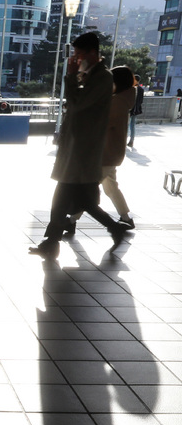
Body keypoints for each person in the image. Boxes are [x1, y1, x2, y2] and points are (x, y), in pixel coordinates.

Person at [29, 32, 130, 260]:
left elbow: (77, 105)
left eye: (79, 54)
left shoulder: (102, 78)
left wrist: (71, 77)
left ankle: (54, 243)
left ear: (93, 53)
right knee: (76, 200)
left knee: (69, 199)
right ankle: (55, 242)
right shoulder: (92, 75)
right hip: (76, 148)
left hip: (84, 151)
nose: (76, 58)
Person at [65, 65, 136, 234]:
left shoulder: (117, 102)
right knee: (110, 187)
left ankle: (71, 221)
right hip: (111, 153)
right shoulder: (120, 99)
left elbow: (100, 124)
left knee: (86, 191)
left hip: (105, 154)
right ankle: (126, 218)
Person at [127, 73, 144, 148]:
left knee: (127, 125)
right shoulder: (141, 89)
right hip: (136, 110)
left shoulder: (131, 88)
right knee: (132, 125)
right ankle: (131, 141)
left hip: (130, 110)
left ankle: (124, 140)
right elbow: (141, 100)